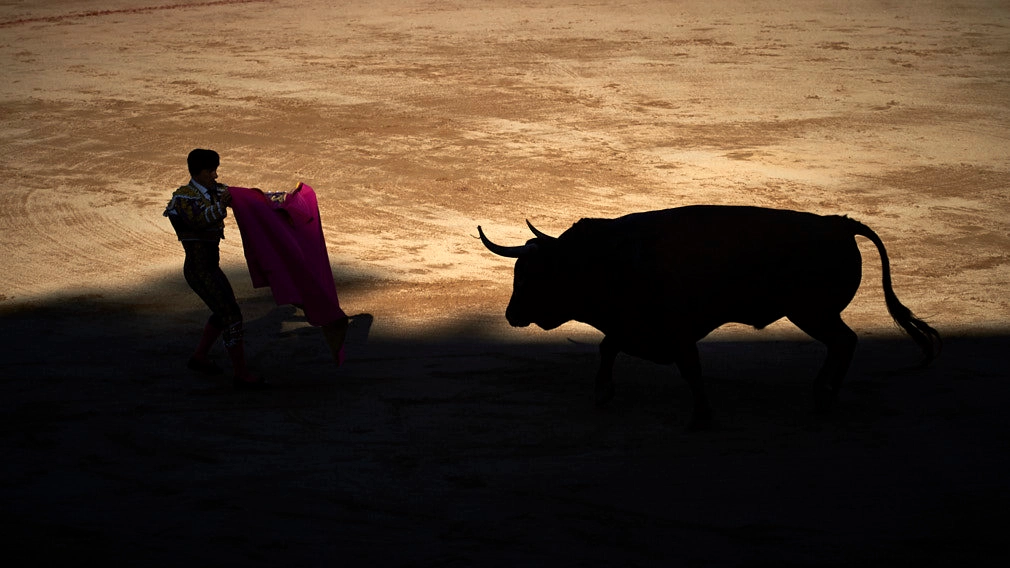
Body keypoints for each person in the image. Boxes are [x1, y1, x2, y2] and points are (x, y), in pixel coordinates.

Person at [164, 149, 266, 389]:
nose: (215, 174)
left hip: (211, 267)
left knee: (224, 314)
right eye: (210, 170)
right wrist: (222, 204)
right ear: (197, 172)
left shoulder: (217, 190)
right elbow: (199, 220)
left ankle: (199, 358)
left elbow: (246, 198)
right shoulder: (182, 199)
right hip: (198, 270)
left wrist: (274, 200)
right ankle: (241, 374)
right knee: (231, 316)